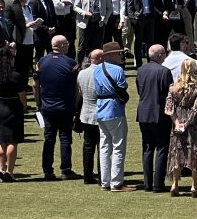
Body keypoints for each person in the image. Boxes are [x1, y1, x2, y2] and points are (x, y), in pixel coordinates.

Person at [164, 57, 197, 197]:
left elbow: (168, 108)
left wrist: (177, 122)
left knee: (177, 154)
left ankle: (175, 184)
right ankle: (194, 186)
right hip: (195, 126)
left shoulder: (173, 87)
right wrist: (187, 123)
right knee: (195, 154)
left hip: (178, 123)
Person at [35, 35, 78, 181]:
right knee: (65, 138)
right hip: (65, 107)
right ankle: (66, 170)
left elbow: (36, 85)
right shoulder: (71, 63)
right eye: (66, 43)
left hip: (47, 107)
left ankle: (47, 170)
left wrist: (38, 103)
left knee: (49, 139)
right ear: (60, 46)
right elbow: (77, 88)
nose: (68, 46)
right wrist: (76, 106)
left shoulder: (41, 61)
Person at [94, 41, 131, 192]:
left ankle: (105, 182)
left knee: (104, 147)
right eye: (118, 53)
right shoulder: (117, 70)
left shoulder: (96, 69)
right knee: (118, 147)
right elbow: (123, 87)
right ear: (111, 55)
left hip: (100, 108)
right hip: (114, 109)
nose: (120, 55)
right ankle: (116, 182)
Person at [137, 44, 174, 193]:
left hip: (144, 114)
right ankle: (158, 184)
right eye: (164, 53)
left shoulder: (140, 70)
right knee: (161, 148)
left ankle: (148, 183)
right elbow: (168, 94)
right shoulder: (164, 72)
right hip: (159, 114)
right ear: (159, 55)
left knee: (147, 149)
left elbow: (140, 90)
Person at [0, 43, 28, 182]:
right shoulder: (15, 75)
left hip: (0, 106)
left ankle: (1, 168)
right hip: (13, 107)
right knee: (13, 140)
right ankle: (9, 171)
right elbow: (22, 94)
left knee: (2, 139)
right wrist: (24, 105)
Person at [74, 49, 102, 185]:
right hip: (100, 114)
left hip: (86, 114)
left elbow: (79, 94)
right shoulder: (102, 72)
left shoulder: (82, 73)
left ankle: (87, 175)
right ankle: (102, 175)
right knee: (102, 146)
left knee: (88, 146)